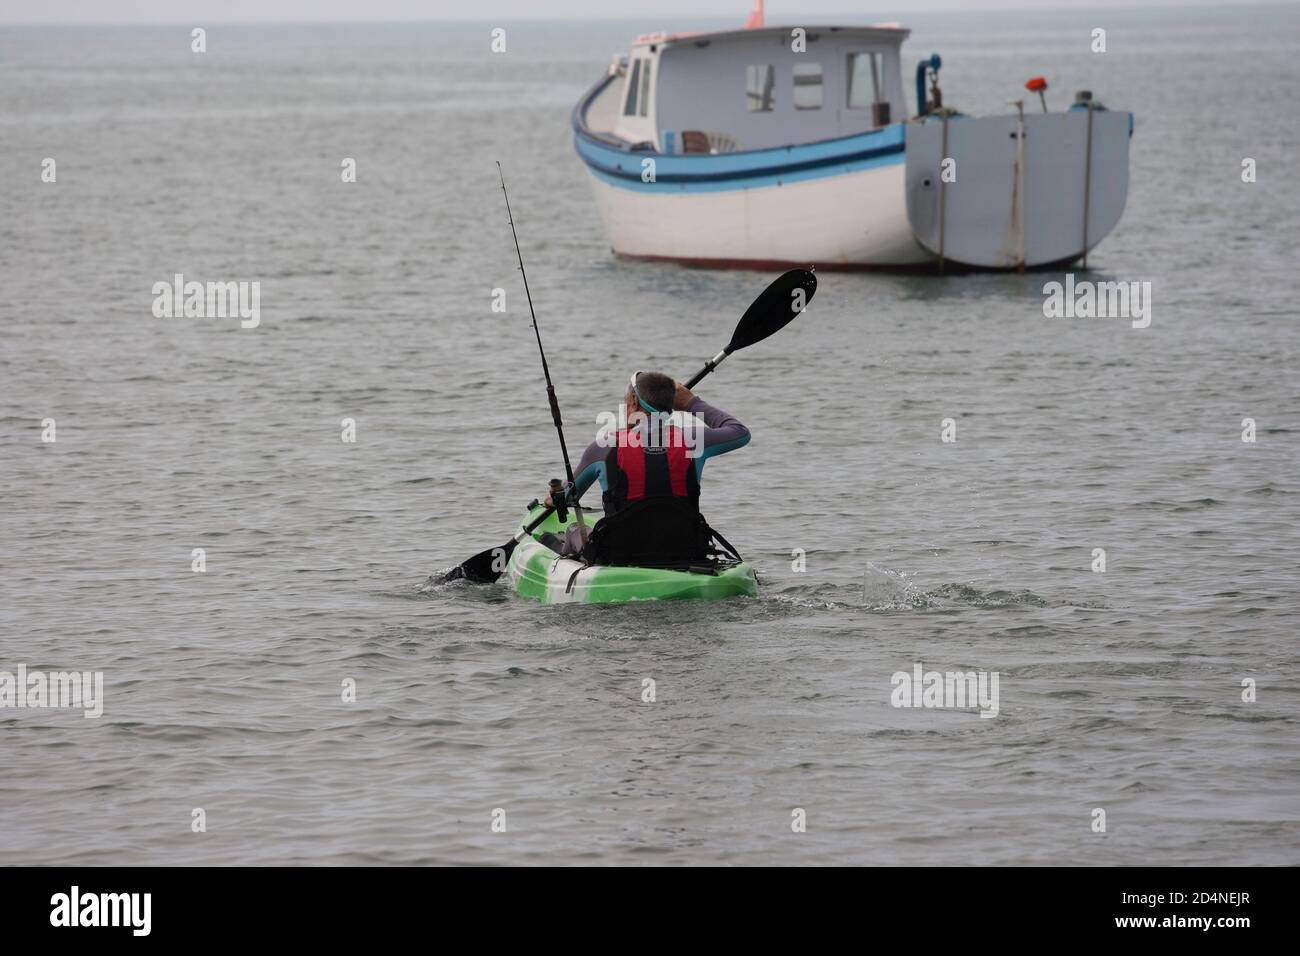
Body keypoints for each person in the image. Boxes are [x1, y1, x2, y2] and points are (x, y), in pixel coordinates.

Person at [543, 370, 749, 560]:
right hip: (686, 549)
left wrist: (553, 498)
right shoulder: (693, 439)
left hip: (620, 553)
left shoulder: (603, 447)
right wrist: (692, 403)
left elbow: (568, 496)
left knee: (574, 529)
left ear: (633, 402)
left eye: (625, 402)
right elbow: (740, 432)